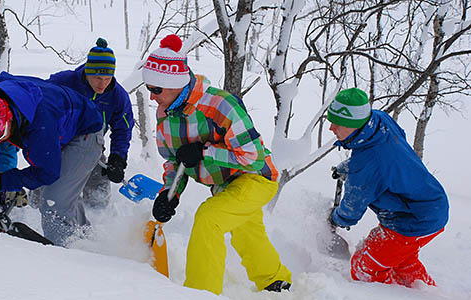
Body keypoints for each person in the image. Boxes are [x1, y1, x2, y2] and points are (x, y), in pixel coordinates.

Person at [141, 34, 292, 295]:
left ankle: (200, 292)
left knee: (209, 219)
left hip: (256, 177)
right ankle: (275, 281)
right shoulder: (165, 115)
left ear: (175, 83)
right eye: (148, 89)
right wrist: (169, 194)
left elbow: (252, 156)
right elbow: (173, 162)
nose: (153, 98)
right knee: (247, 232)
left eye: (156, 89)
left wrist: (204, 152)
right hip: (225, 184)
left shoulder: (220, 105)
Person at [0, 72, 104, 246]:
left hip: (85, 135)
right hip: (64, 126)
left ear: (9, 117)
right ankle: (86, 240)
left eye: (0, 134)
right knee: (64, 194)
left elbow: (47, 172)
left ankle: (66, 256)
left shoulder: (40, 124)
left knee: (54, 202)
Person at [327, 88, 449, 287]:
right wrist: (347, 167)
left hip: (413, 220)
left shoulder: (368, 163)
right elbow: (378, 162)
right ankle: (427, 292)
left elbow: (351, 211)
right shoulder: (379, 122)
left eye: (338, 124)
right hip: (431, 205)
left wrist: (333, 218)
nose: (332, 128)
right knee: (402, 262)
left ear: (355, 125)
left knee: (364, 268)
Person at [46, 37, 134, 208]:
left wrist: (117, 159)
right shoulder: (64, 82)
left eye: (108, 78)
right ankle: (34, 215)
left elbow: (123, 130)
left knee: (98, 193)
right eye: (98, 78)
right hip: (57, 147)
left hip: (92, 149)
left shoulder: (117, 96)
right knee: (47, 189)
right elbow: (40, 103)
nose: (103, 84)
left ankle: (96, 222)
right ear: (87, 72)